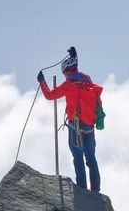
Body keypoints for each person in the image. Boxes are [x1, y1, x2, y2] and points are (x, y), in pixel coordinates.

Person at [39, 47, 104, 193]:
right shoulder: (87, 81)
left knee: (78, 158)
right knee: (91, 159)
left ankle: (82, 190)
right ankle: (95, 191)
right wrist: (75, 56)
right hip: (89, 126)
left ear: (66, 72)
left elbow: (49, 95)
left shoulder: (68, 85)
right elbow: (77, 71)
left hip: (75, 127)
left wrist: (42, 81)